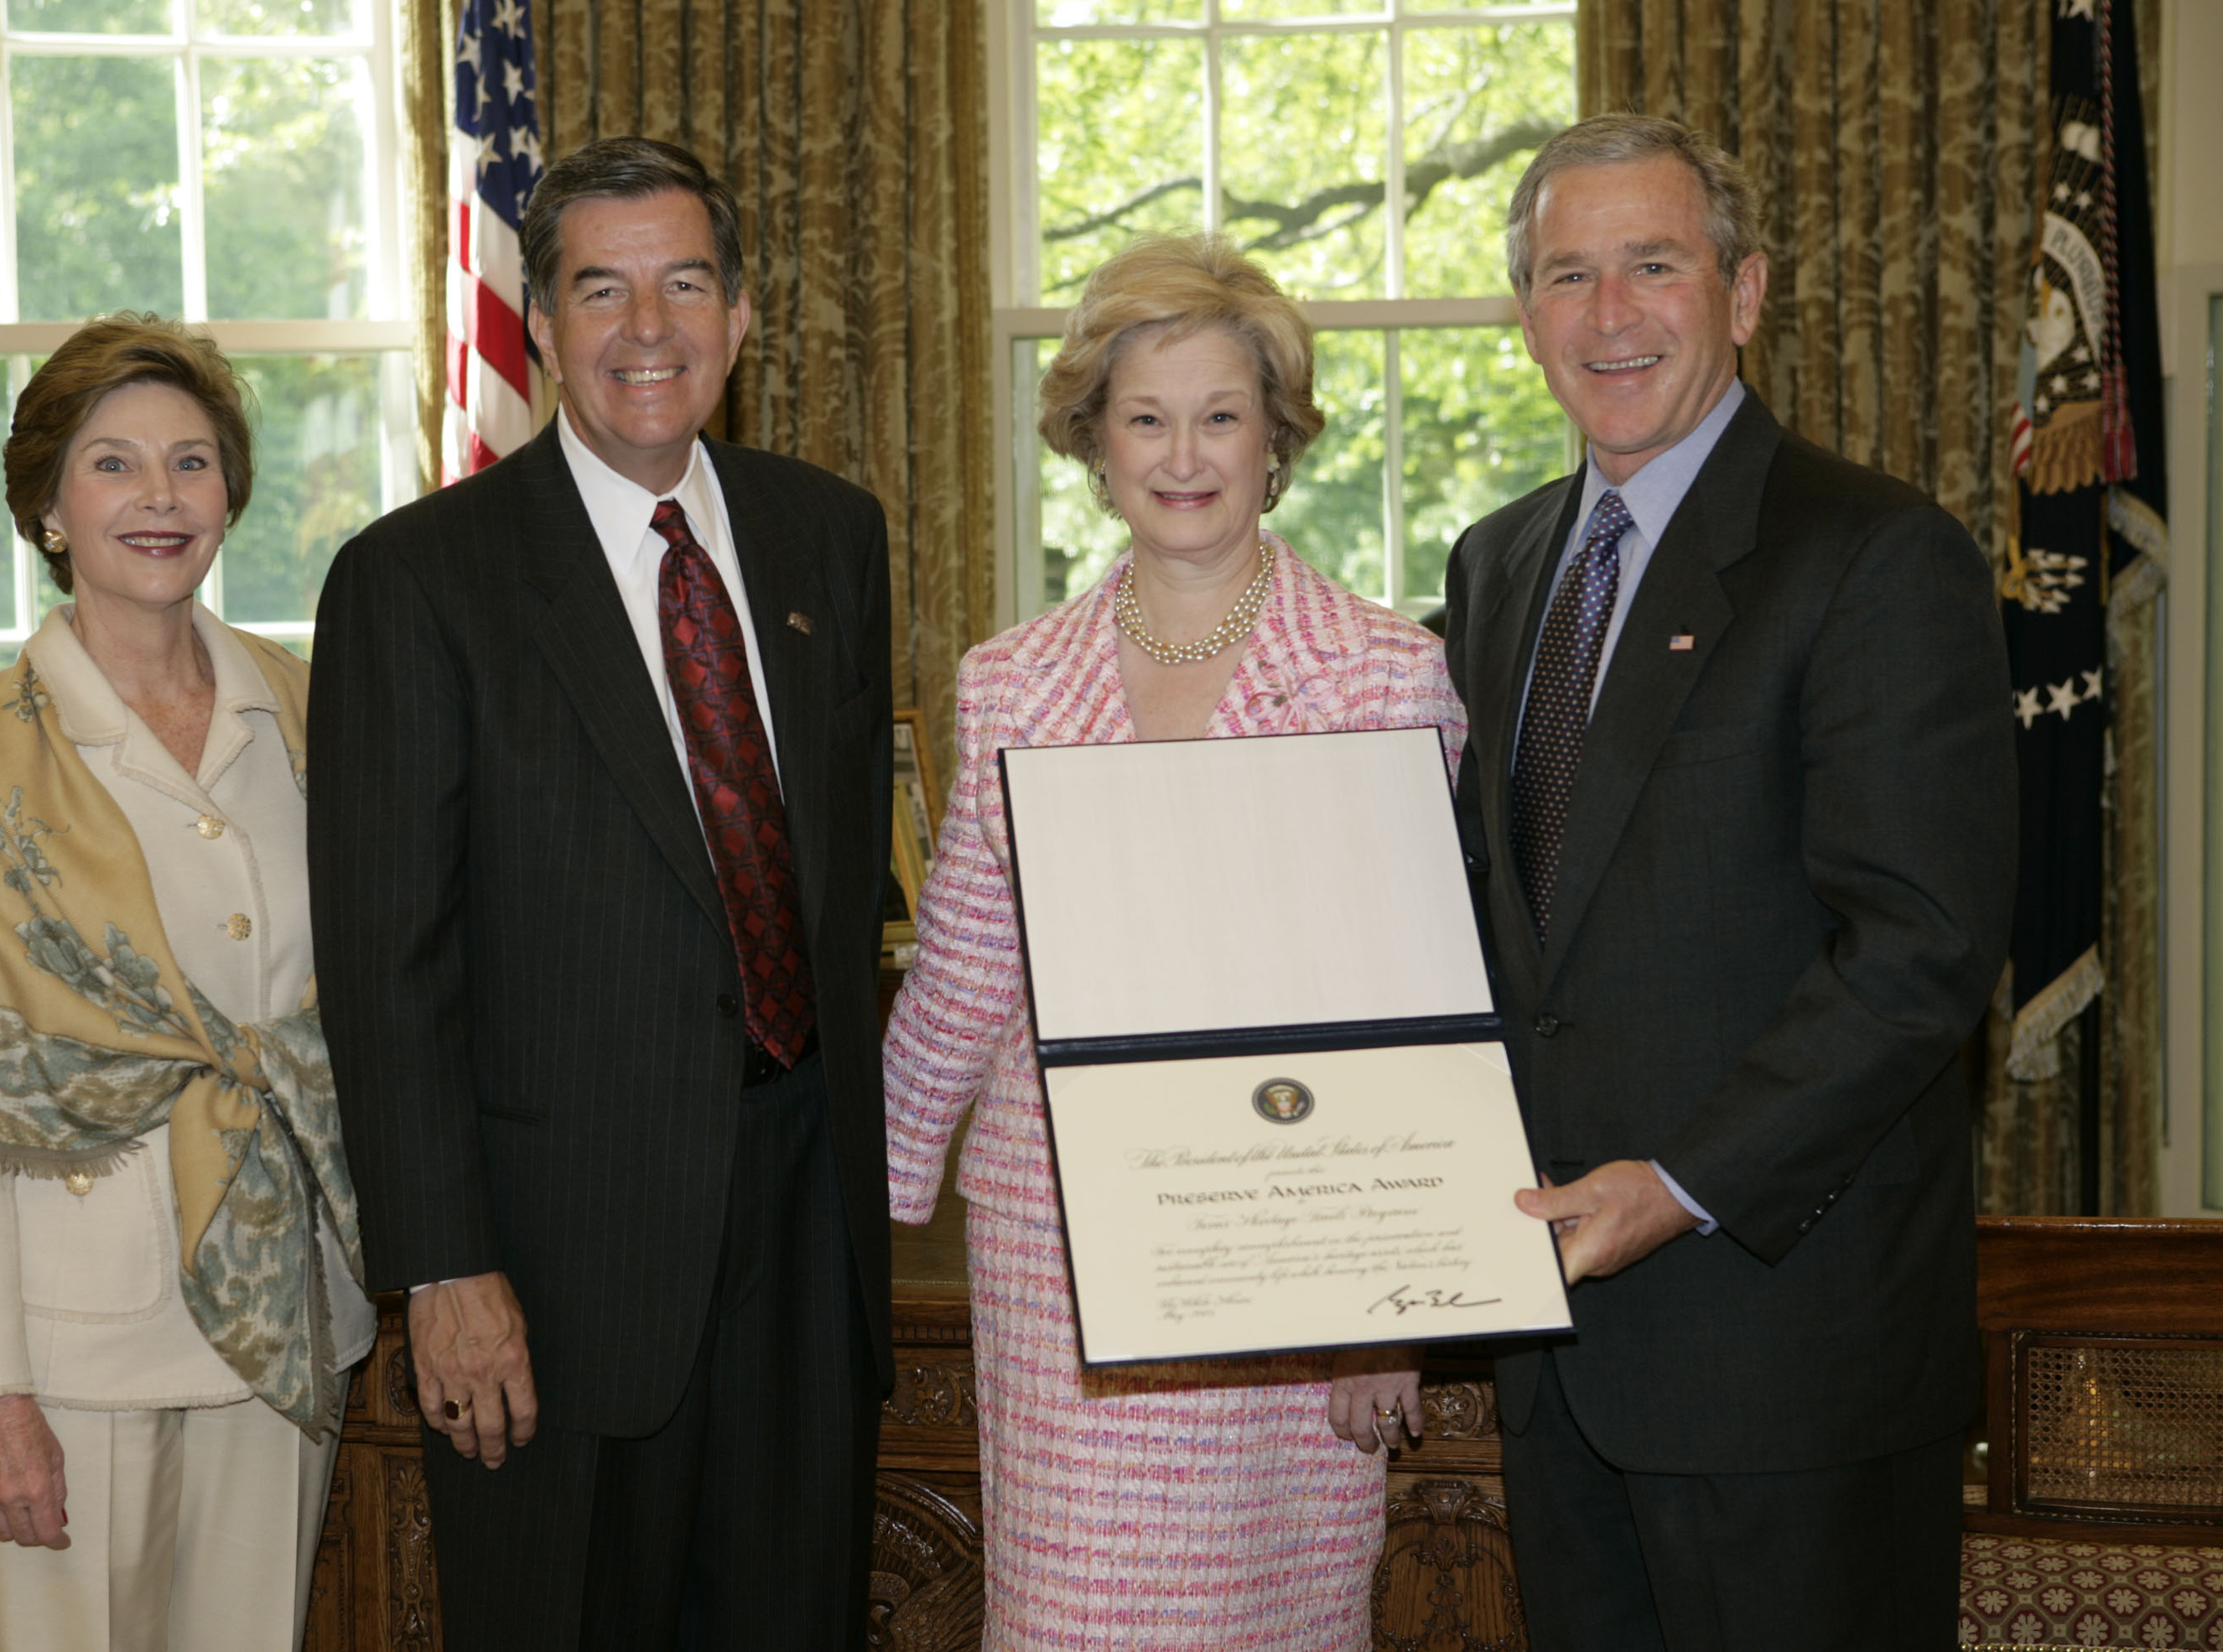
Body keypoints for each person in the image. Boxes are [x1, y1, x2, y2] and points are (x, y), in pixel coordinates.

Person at [307, 137, 894, 1650]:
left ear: (743, 313)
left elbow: (838, 903)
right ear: (544, 325)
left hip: (803, 1245)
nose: (651, 328)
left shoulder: (831, 533)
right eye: (603, 289)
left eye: (686, 283)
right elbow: (389, 961)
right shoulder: (415, 580)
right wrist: (442, 1265)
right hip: (553, 1277)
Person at [1441, 114, 2017, 1649]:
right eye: (1569, 273)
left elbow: (1923, 949)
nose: (1610, 314)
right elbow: (1489, 926)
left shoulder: (1877, 555)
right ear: (1526, 312)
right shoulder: (1497, 567)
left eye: (1655, 265)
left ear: (1745, 291)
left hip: (1786, 1354)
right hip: (1557, 1357)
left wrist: (1683, 1183)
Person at [881, 231, 1463, 1649]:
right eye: (1147, 416)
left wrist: (1388, 1312)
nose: (1184, 453)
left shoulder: (1388, 672)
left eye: (1220, 415)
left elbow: (1429, 1011)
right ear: (1095, 438)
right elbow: (962, 974)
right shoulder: (1011, 678)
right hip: (1063, 1276)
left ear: (1277, 439)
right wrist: (849, 1222)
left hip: (1293, 1280)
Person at [0, 314, 374, 1651]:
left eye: (192, 462)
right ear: (48, 503)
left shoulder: (313, 703)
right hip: (74, 1337)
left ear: (229, 495)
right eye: (113, 464)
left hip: (287, 1300)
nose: (159, 496)